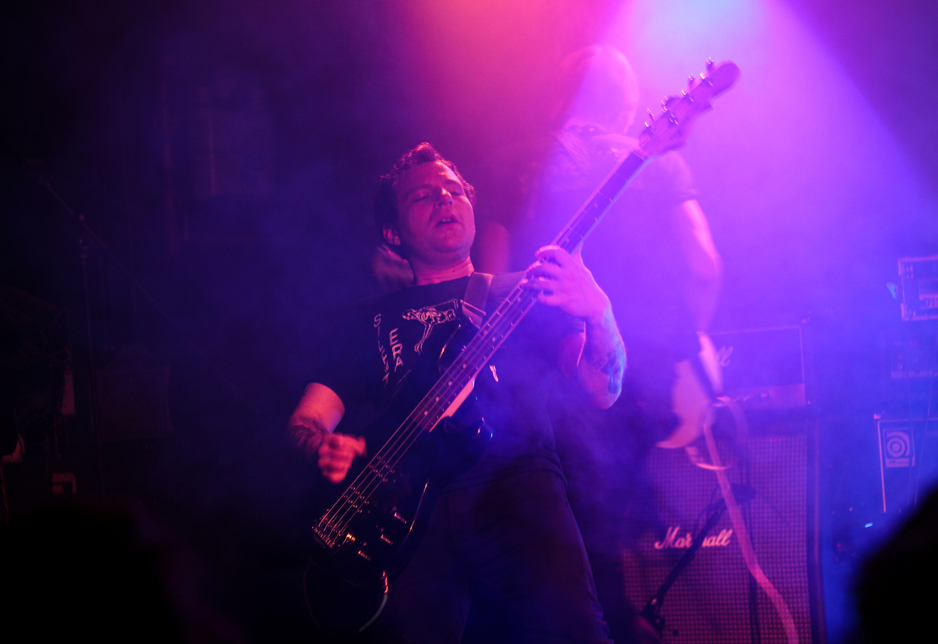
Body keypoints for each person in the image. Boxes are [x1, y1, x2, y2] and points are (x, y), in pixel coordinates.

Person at [289, 142, 625, 644]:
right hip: (402, 515)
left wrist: (600, 313)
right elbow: (307, 420)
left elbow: (604, 389)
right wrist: (322, 446)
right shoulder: (366, 319)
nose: (444, 200)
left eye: (453, 191)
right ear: (392, 232)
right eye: (422, 196)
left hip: (518, 493)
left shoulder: (526, 290)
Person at [491, 45, 723, 643]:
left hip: (537, 389)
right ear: (627, 106)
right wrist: (694, 342)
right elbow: (704, 264)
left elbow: (487, 288)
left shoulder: (512, 163)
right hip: (640, 378)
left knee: (551, 557)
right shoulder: (660, 163)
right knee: (603, 548)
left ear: (560, 99)